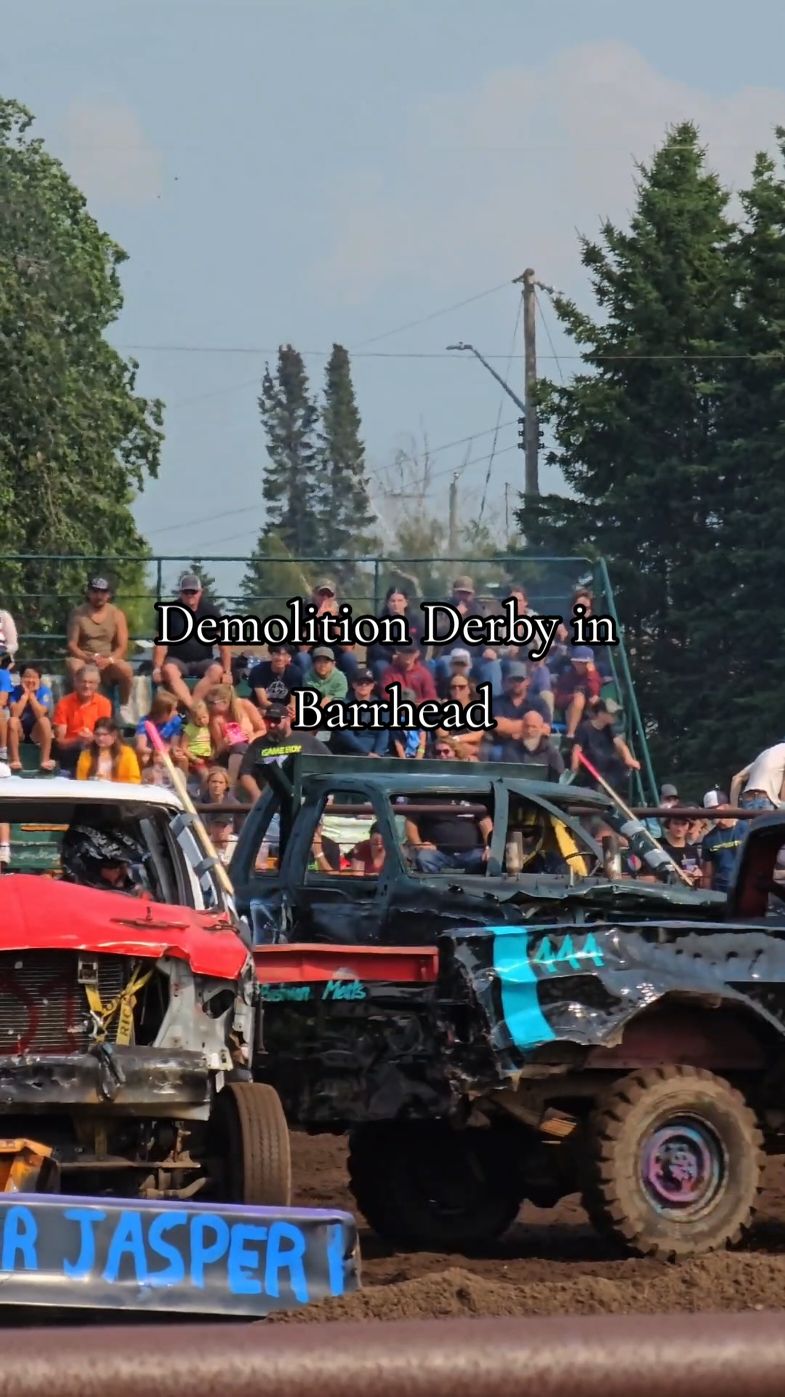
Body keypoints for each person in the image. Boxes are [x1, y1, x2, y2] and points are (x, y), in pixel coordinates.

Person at [151, 573, 232, 711]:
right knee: (169, 671)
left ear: (200, 592)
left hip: (203, 660)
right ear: (181, 593)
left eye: (193, 591)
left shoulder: (211, 611)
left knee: (216, 670)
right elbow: (161, 644)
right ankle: (194, 709)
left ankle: (190, 707)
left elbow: (224, 644)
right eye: (186, 591)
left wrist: (227, 671)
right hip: (176, 659)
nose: (190, 595)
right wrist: (157, 669)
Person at [66, 577, 135, 722]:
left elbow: (122, 646)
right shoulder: (78, 614)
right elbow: (72, 644)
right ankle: (82, 707)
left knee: (126, 669)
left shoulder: (117, 614)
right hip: (85, 657)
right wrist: (87, 659)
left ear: (109, 594)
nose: (99, 596)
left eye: (103, 592)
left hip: (108, 659)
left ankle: (123, 707)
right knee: (75, 666)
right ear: (89, 592)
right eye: (95, 591)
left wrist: (109, 660)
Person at [237, 704, 329, 803]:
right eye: (268, 720)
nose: (272, 725)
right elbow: (245, 773)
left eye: (276, 720)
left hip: (304, 797)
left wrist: (328, 794)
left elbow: (330, 764)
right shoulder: (258, 744)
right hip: (271, 800)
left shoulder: (306, 739)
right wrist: (256, 793)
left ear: (287, 720)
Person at [404, 797, 493, 875]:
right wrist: (419, 845)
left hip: (472, 852)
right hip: (437, 853)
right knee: (424, 857)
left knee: (490, 859)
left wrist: (489, 847)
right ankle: (433, 890)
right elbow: (411, 823)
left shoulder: (473, 796)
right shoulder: (424, 797)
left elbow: (485, 821)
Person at [53, 664, 113, 776]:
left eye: (91, 682)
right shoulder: (64, 703)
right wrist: (78, 739)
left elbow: (106, 735)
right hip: (70, 751)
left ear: (97, 685)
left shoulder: (104, 703)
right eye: (83, 681)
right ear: (75, 682)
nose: (86, 686)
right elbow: (60, 742)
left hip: (95, 748)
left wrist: (92, 738)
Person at [60, 823, 151, 896]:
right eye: (114, 864)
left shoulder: (141, 906)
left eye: (127, 864)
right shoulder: (62, 900)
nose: (126, 870)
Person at [570, 698, 640, 789]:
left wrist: (628, 758)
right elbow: (577, 749)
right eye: (611, 713)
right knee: (595, 756)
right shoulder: (585, 727)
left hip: (605, 767)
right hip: (591, 766)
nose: (615, 716)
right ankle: (598, 787)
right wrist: (574, 767)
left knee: (620, 766)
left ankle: (603, 788)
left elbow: (620, 744)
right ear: (601, 713)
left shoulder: (609, 729)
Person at [331, 670, 390, 757]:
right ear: (354, 685)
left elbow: (384, 732)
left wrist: (378, 753)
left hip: (376, 754)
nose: (364, 686)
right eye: (360, 683)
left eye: (367, 683)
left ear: (372, 686)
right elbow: (346, 735)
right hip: (350, 753)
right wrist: (366, 753)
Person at [7, 663, 55, 771]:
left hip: (36, 732)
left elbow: (40, 714)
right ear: (21, 677)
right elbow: (15, 713)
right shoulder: (14, 691)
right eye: (27, 676)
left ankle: (45, 760)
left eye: (34, 677)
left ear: (39, 679)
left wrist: (32, 696)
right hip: (20, 732)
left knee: (44, 721)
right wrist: (24, 696)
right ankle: (15, 760)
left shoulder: (44, 691)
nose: (30, 680)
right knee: (12, 721)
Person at [553, 647, 603, 739]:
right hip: (567, 709)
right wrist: (572, 698)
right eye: (578, 662)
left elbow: (594, 692)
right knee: (578, 698)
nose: (580, 665)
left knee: (595, 700)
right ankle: (570, 735)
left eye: (584, 663)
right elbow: (559, 697)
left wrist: (591, 673)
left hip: (587, 710)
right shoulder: (568, 676)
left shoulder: (593, 676)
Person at [700, 790, 743, 894]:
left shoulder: (746, 828)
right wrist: (707, 896)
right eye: (708, 810)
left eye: (714, 808)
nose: (711, 813)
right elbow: (708, 874)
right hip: (721, 891)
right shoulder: (708, 838)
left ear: (726, 806)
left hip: (744, 887)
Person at [76, 717, 142, 783]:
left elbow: (134, 779)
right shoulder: (86, 754)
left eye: (104, 735)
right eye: (97, 734)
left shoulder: (127, 753)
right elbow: (81, 779)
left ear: (114, 735)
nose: (100, 738)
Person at [730, 742, 785, 813]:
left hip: (748, 799)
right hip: (764, 800)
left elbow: (736, 778)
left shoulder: (766, 754)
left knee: (752, 824)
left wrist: (734, 810)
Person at [248, 644, 302, 713]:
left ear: (289, 658)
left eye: (284, 655)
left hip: (285, 710)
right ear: (271, 655)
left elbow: (293, 703)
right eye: (276, 654)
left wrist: (290, 710)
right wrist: (280, 709)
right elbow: (263, 702)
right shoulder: (258, 670)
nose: (280, 658)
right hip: (263, 709)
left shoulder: (295, 672)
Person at [660, 814, 703, 884]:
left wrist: (697, 874)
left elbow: (697, 876)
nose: (679, 828)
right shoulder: (657, 845)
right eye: (675, 823)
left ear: (689, 826)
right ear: (668, 824)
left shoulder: (692, 850)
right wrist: (677, 877)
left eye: (684, 824)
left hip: (687, 892)